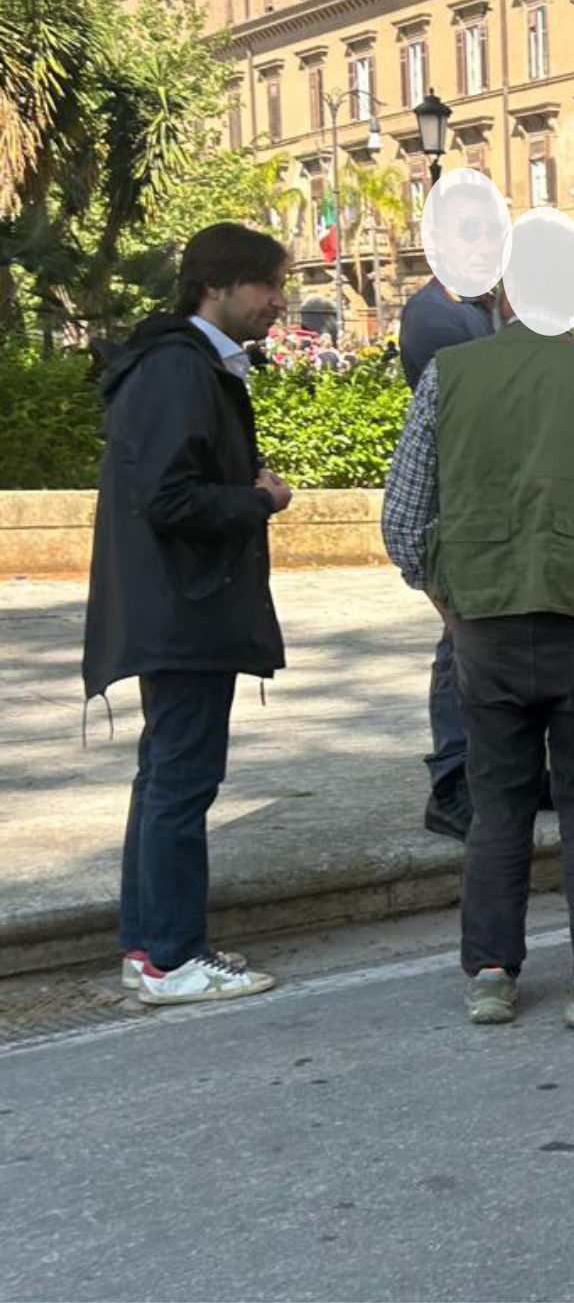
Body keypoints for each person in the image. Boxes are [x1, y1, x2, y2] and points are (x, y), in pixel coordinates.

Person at [381, 246, 574, 1031]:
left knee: (497, 805)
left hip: (486, 623)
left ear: (509, 297)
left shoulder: (448, 374)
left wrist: (450, 603)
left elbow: (401, 517)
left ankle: (490, 971)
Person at [84, 222, 293, 1005]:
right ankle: (172, 957)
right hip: (187, 607)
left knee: (164, 777)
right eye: (268, 284)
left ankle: (150, 946)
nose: (278, 301)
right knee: (181, 781)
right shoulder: (180, 369)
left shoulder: (179, 362)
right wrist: (257, 499)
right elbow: (168, 497)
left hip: (177, 603)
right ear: (219, 286)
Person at [396, 183, 504, 841]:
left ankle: (493, 770)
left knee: (493, 636)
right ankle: (450, 782)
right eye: (470, 233)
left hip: (496, 495)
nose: (484, 245)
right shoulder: (433, 314)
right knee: (458, 639)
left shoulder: (491, 309)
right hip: (456, 499)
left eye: (491, 234)